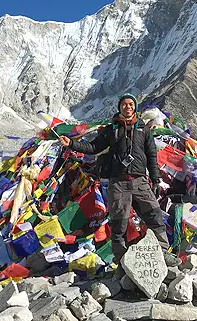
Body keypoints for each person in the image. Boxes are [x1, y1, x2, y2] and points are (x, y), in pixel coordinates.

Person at [58, 93, 177, 267]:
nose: (127, 107)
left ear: (135, 107)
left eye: (130, 104)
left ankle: (163, 252)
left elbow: (151, 155)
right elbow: (93, 147)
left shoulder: (143, 130)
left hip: (140, 181)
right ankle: (121, 261)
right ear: (119, 107)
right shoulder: (110, 129)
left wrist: (156, 179)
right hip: (118, 183)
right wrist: (72, 144)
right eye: (124, 104)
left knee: (154, 214)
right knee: (119, 222)